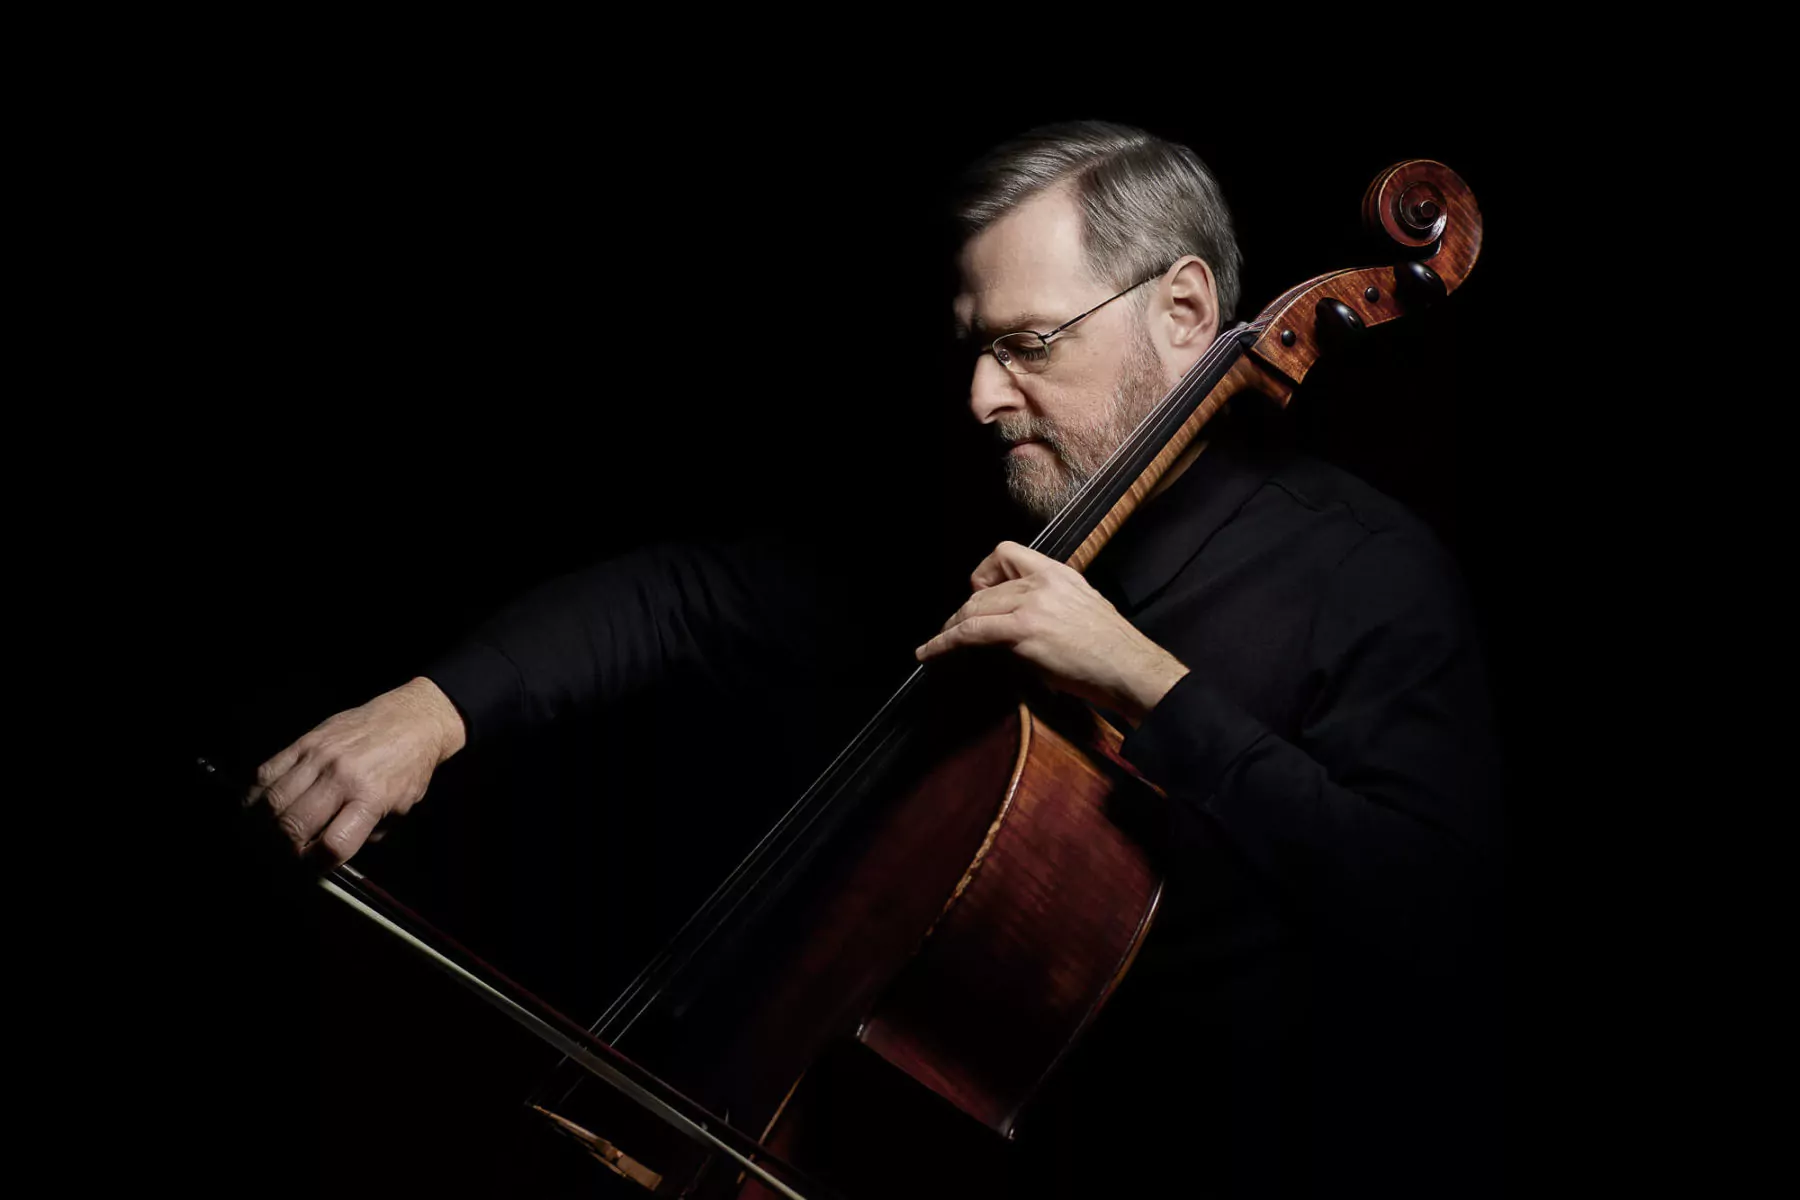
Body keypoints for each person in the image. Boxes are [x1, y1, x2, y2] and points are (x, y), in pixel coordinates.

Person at [245, 121, 1504, 1196]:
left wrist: (1144, 681)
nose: (980, 397)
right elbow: (692, 595)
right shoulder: (977, 524)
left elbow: (1429, 911)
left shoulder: (1365, 577)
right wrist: (432, 708)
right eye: (973, 345)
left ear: (1183, 311)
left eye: (1028, 343)